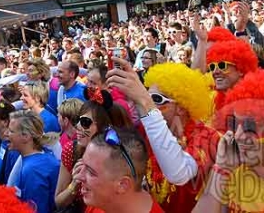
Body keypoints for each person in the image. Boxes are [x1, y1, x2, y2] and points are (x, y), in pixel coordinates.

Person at [107, 57, 219, 213]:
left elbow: (179, 174)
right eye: (149, 96)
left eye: (157, 99)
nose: (150, 104)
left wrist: (145, 101)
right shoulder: (150, 133)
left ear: (181, 107)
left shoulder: (207, 137)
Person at [193, 69, 264, 213]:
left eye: (249, 126)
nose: (238, 135)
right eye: (234, 124)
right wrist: (221, 168)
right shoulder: (235, 170)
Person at [55, 87, 132, 212]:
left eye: (85, 122)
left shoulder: (121, 157)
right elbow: (59, 202)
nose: (78, 127)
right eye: (78, 120)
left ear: (104, 127)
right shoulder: (71, 150)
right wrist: (74, 184)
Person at [79, 128, 164, 213]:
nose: (79, 176)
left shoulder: (101, 200)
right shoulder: (101, 202)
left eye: (90, 172)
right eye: (82, 164)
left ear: (123, 185)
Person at [7, 110, 60, 213]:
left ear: (26, 136)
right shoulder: (44, 155)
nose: (6, 134)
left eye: (11, 131)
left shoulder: (32, 170)